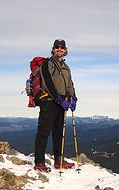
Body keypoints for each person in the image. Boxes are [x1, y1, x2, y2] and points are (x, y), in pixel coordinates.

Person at [34, 39, 78, 172]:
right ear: (53, 49)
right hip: (48, 102)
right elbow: (47, 83)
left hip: (62, 103)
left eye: (62, 47)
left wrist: (73, 97)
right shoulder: (47, 64)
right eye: (57, 47)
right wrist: (58, 99)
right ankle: (39, 162)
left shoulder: (66, 67)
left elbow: (70, 83)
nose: (59, 49)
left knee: (59, 132)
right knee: (44, 132)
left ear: (65, 50)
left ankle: (59, 161)